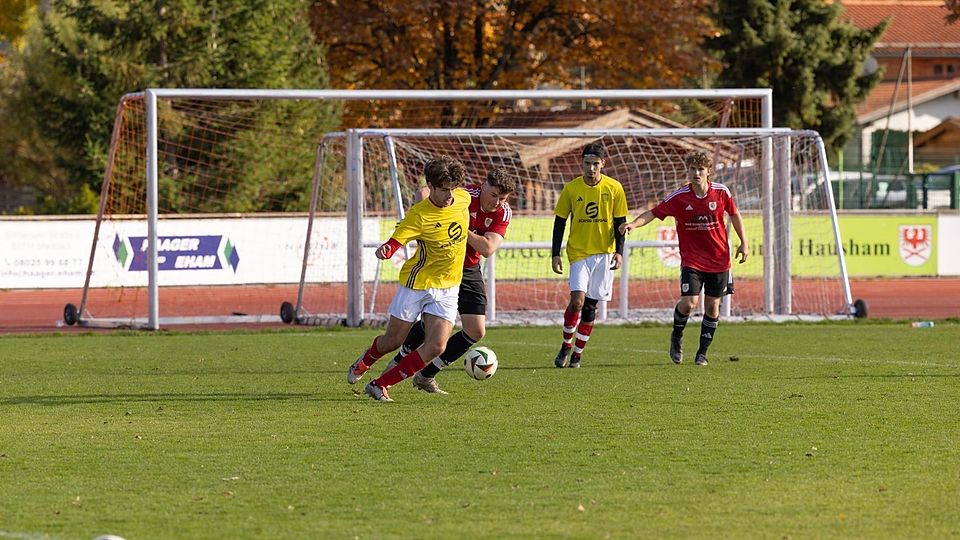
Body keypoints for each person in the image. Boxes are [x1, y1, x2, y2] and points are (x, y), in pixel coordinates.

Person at [346, 156, 471, 402]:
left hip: (448, 286)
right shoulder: (419, 215)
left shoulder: (463, 198)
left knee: (437, 346)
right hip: (417, 284)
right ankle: (365, 361)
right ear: (431, 188)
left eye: (452, 189)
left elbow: (473, 194)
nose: (449, 195)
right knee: (393, 341)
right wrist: (387, 250)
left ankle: (380, 385)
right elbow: (395, 242)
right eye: (444, 190)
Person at [387, 168, 517, 394]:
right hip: (441, 264)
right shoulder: (466, 195)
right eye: (494, 195)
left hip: (469, 268)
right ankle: (401, 358)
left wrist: (457, 226)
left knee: (476, 331)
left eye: (503, 198)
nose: (497, 202)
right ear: (484, 185)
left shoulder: (503, 212)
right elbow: (423, 192)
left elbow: (487, 248)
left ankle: (426, 375)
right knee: (433, 322)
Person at [618, 149, 748, 366]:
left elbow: (735, 214)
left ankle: (702, 353)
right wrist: (633, 224)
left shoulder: (721, 192)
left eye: (700, 169)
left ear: (708, 172)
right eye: (692, 169)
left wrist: (744, 242)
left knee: (712, 307)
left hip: (719, 260)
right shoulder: (679, 197)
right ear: (688, 171)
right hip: (692, 260)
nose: (696, 173)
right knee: (689, 303)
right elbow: (654, 212)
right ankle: (677, 336)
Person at [551, 142, 628, 368]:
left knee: (590, 307)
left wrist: (619, 252)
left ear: (603, 164)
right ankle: (566, 345)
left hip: (604, 254)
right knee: (577, 302)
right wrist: (555, 254)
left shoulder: (615, 188)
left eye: (595, 164)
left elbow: (620, 223)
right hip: (579, 253)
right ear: (581, 164)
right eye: (587, 163)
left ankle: (578, 353)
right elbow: (560, 222)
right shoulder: (571, 188)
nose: (591, 168)